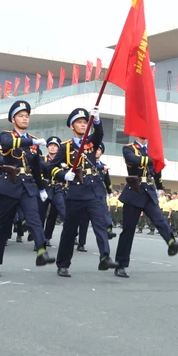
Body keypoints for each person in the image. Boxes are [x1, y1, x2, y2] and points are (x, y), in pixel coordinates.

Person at [0, 101, 55, 277]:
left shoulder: (33, 141)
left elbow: (37, 168)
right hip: (8, 185)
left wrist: (41, 188)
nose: (24, 119)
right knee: (2, 227)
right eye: (21, 116)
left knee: (34, 219)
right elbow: (8, 144)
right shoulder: (6, 135)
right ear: (13, 119)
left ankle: (41, 251)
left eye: (27, 116)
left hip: (27, 185)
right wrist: (32, 141)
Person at [49, 107, 119, 277]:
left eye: (85, 122)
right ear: (72, 126)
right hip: (76, 192)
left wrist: (97, 120)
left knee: (100, 225)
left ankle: (105, 256)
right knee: (70, 230)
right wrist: (64, 175)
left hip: (94, 190)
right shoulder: (66, 147)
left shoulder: (91, 142)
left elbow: (99, 134)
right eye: (79, 122)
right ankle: (63, 264)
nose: (82, 125)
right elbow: (51, 167)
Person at [113, 135, 178, 277]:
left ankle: (171, 243)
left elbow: (156, 171)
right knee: (128, 230)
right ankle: (120, 264)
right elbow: (134, 160)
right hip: (134, 192)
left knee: (160, 219)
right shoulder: (129, 148)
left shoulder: (152, 150)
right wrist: (155, 159)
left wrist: (159, 186)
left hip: (149, 191)